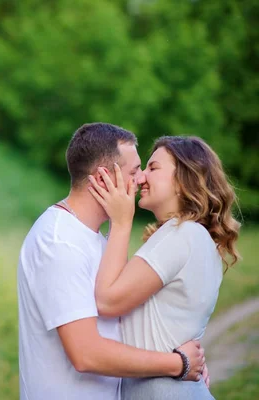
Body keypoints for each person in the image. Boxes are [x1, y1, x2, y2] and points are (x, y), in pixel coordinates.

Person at [17, 123, 206, 400]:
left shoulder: (95, 239)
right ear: (104, 177)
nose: (141, 179)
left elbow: (125, 323)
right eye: (134, 171)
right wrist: (179, 364)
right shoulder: (58, 242)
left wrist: (193, 357)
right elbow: (86, 354)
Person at [88, 135, 240, 399]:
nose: (140, 178)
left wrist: (121, 222)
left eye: (153, 168)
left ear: (184, 180)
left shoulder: (181, 234)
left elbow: (108, 302)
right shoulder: (192, 236)